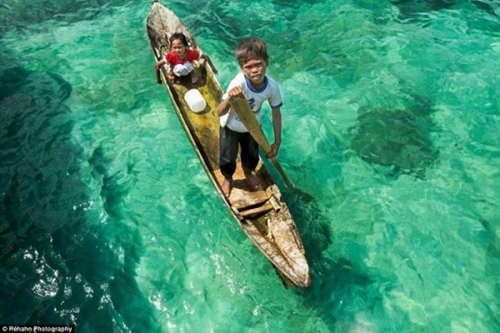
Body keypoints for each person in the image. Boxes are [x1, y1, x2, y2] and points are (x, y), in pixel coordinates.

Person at [217, 37, 283, 197]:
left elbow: (276, 114)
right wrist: (231, 99)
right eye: (248, 67)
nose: (254, 70)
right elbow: (220, 112)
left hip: (252, 127)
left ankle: (248, 172)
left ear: (266, 61)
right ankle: (228, 179)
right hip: (231, 126)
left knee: (251, 155)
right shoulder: (238, 83)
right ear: (242, 68)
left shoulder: (272, 87)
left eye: (258, 64)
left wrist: (277, 141)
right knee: (228, 156)